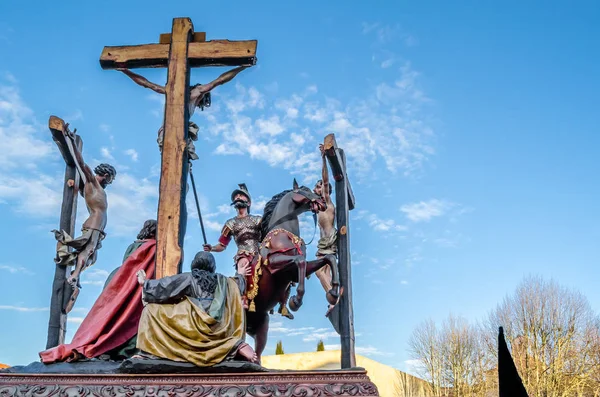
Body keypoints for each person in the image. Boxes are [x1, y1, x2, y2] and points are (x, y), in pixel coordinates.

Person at [40, 220, 157, 364]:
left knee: (114, 315)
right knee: (132, 316)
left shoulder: (136, 246)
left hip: (121, 280)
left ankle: (110, 348)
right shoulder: (153, 247)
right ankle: (122, 349)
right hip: (137, 284)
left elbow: (129, 263)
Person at [134, 251, 258, 365]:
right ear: (213, 266)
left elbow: (166, 286)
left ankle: (148, 352)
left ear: (194, 264)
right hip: (218, 329)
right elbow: (236, 287)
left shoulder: (190, 277)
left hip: (194, 326)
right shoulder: (223, 281)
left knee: (150, 310)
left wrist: (145, 283)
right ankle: (234, 345)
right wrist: (241, 275)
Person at [117, 66, 248, 160]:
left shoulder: (174, 93)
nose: (202, 99)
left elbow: (148, 84)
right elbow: (219, 81)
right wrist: (242, 67)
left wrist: (125, 71)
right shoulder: (196, 92)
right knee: (176, 161)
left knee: (177, 161)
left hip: (169, 132)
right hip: (170, 132)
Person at [52, 139, 116, 313]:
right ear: (105, 174)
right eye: (110, 178)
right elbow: (81, 162)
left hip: (98, 228)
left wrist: (75, 185)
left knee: (90, 257)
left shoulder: (91, 188)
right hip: (94, 223)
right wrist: (70, 141)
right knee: (87, 251)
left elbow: (81, 190)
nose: (110, 181)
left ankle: (75, 277)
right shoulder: (92, 182)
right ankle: (74, 276)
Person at [314, 144, 339, 316]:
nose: (319, 189)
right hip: (322, 244)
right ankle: (333, 296)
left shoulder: (328, 202)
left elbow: (325, 179)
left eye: (320, 187)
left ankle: (334, 297)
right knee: (321, 274)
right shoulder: (318, 207)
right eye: (317, 188)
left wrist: (323, 158)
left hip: (329, 242)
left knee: (319, 271)